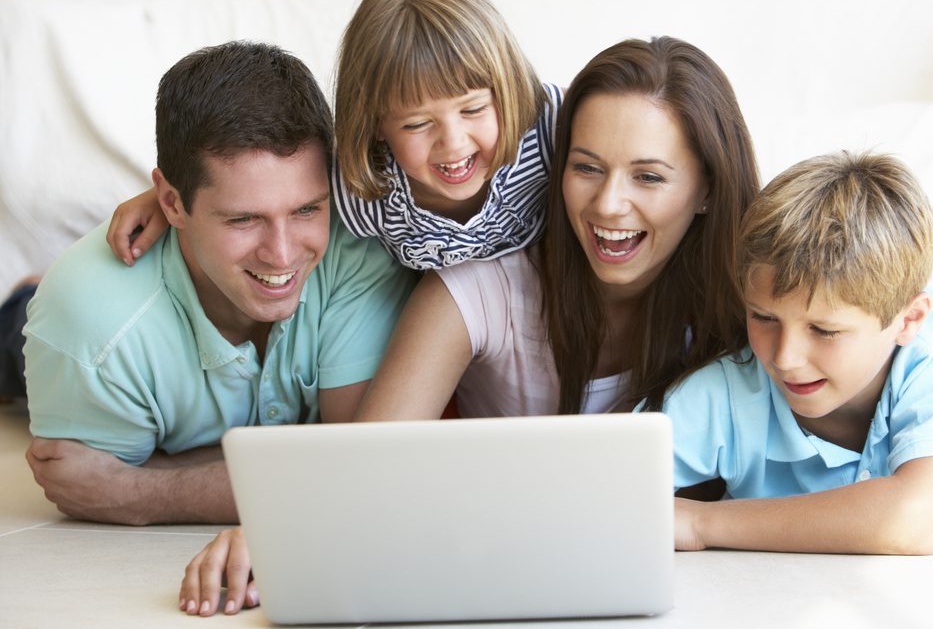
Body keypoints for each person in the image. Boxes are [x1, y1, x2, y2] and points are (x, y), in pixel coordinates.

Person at [177, 35, 760, 616]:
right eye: (586, 167)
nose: (608, 205)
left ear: (706, 186)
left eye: (649, 177)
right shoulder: (480, 288)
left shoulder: (753, 302)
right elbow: (366, 465)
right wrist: (279, 532)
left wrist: (704, 523)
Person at [22, 41, 413, 526]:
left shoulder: (361, 244)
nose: (284, 253)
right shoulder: (92, 331)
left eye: (306, 209)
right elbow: (79, 486)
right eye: (244, 218)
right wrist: (303, 459)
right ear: (171, 202)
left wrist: (143, 489)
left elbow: (353, 473)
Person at [659, 151, 933, 554]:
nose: (785, 358)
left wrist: (701, 522)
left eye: (825, 330)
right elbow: (596, 492)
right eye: (764, 318)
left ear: (908, 320)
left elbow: (914, 520)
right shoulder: (723, 393)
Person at [109, 0, 560, 272]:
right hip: (439, 312)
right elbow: (269, 181)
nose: (454, 142)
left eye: (474, 109)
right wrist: (160, 199)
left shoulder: (546, 128)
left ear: (505, 90)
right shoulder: (364, 185)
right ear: (377, 126)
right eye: (417, 124)